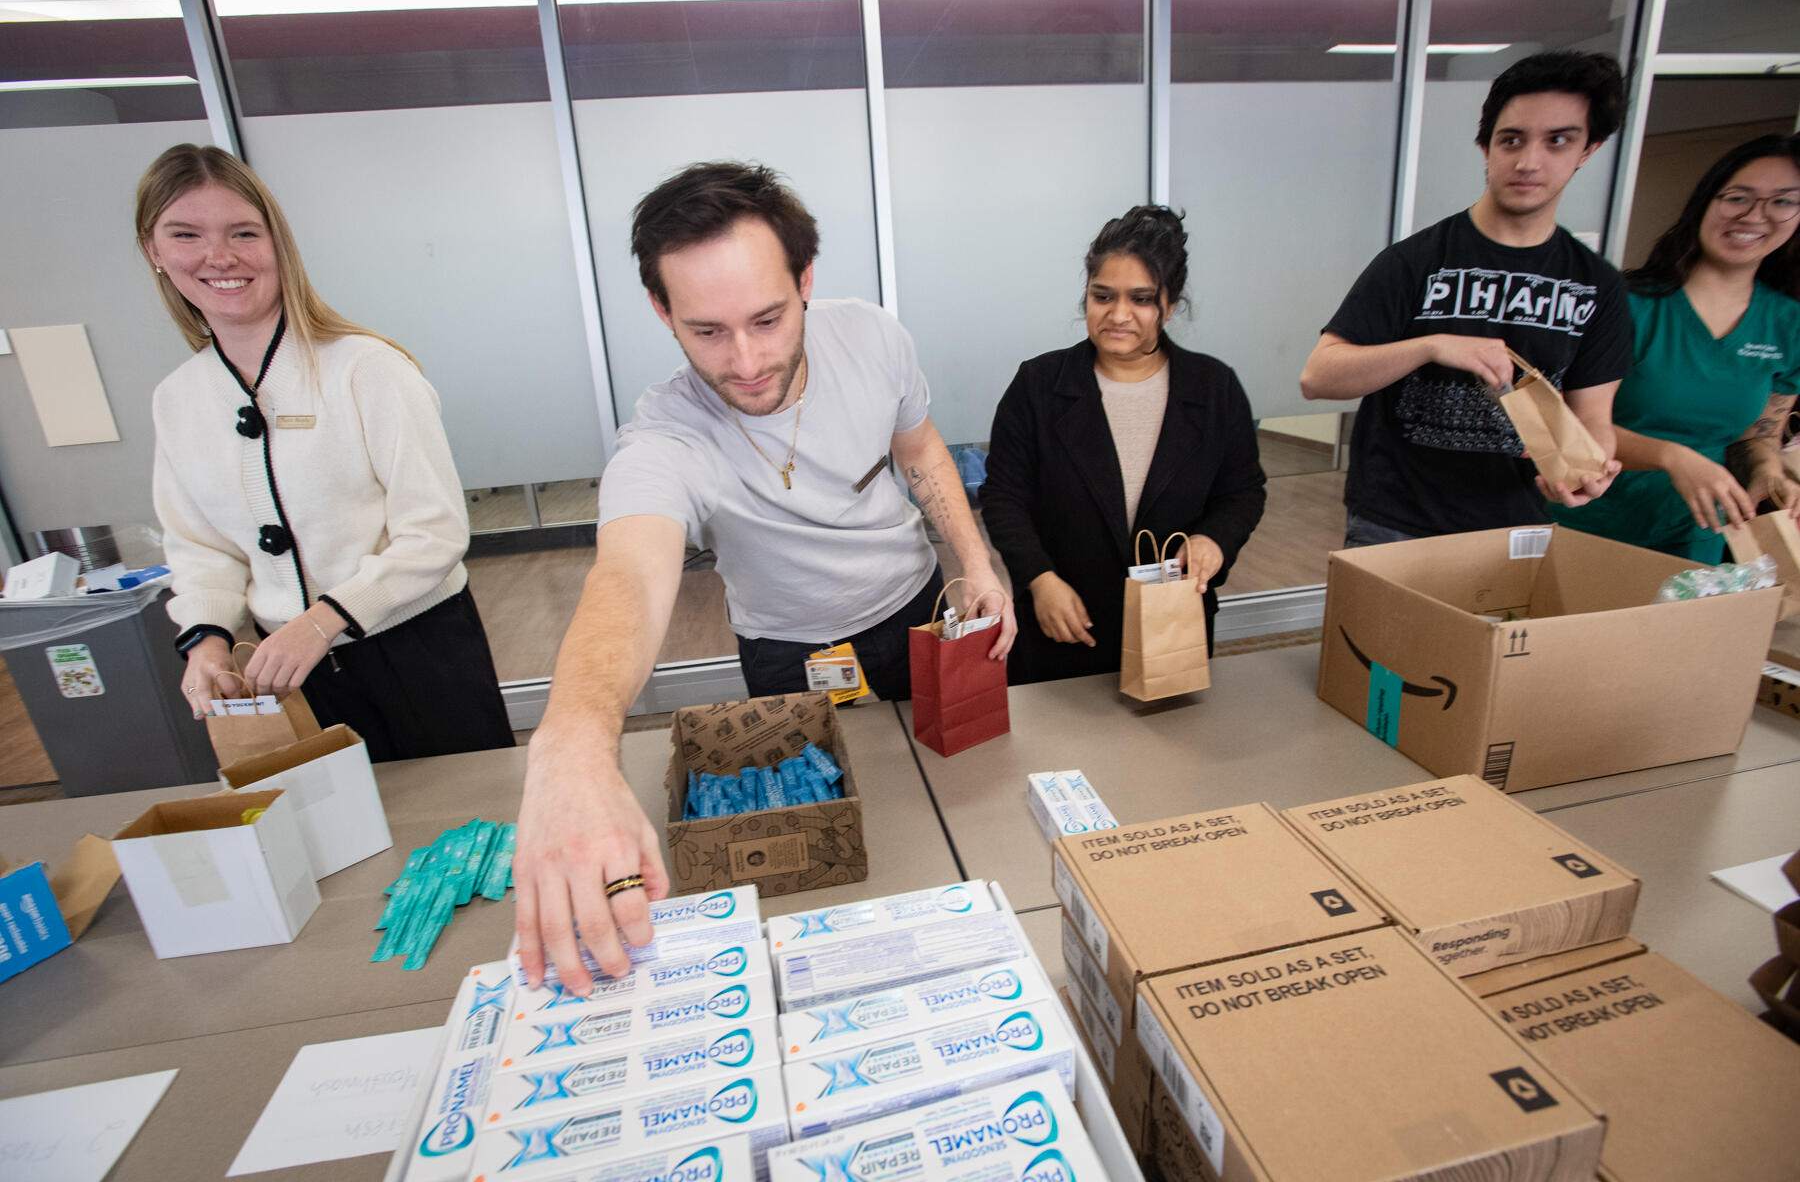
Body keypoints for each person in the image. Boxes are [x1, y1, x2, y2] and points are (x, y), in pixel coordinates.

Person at [512, 162, 1015, 994]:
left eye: (769, 320)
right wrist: (569, 746)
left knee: (960, 812)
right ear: (661, 312)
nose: (745, 362)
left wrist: (973, 561)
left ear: (806, 280)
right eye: (706, 331)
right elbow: (630, 574)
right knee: (832, 853)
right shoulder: (667, 433)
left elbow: (919, 449)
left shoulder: (875, 339)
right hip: (788, 652)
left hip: (919, 611)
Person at [137, 144, 512, 763]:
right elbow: (199, 548)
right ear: (155, 251)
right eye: (186, 235)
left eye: (243, 233)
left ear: (278, 243)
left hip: (417, 653)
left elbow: (435, 532)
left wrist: (323, 620)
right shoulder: (176, 399)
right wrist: (206, 640)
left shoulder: (369, 369)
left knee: (475, 827)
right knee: (344, 846)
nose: (220, 257)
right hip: (282, 672)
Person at [1300, 51, 1634, 546]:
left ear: (1588, 150)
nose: (1528, 161)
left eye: (1557, 141)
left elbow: (1593, 418)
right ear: (1486, 146)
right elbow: (1319, 376)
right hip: (1394, 520)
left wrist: (1590, 468)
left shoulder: (1597, 285)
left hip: (1516, 523)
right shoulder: (1414, 262)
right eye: (1512, 140)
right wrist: (1431, 346)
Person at [981, 206, 1266, 684]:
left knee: (1171, 753)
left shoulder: (1214, 388)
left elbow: (1243, 491)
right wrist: (1039, 579)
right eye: (1102, 296)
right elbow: (1004, 495)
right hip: (1062, 624)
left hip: (1172, 626)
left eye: (1141, 299)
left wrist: (1213, 540)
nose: (1118, 315)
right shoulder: (1039, 384)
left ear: (1170, 305)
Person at [1554, 135, 1800, 561]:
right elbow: (1559, 424)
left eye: (1782, 202)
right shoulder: (1625, 303)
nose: (1754, 215)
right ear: (1705, 202)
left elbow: (1754, 436)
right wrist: (1672, 456)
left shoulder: (1789, 325)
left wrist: (1768, 471)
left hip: (1694, 538)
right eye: (1738, 197)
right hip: (1583, 527)